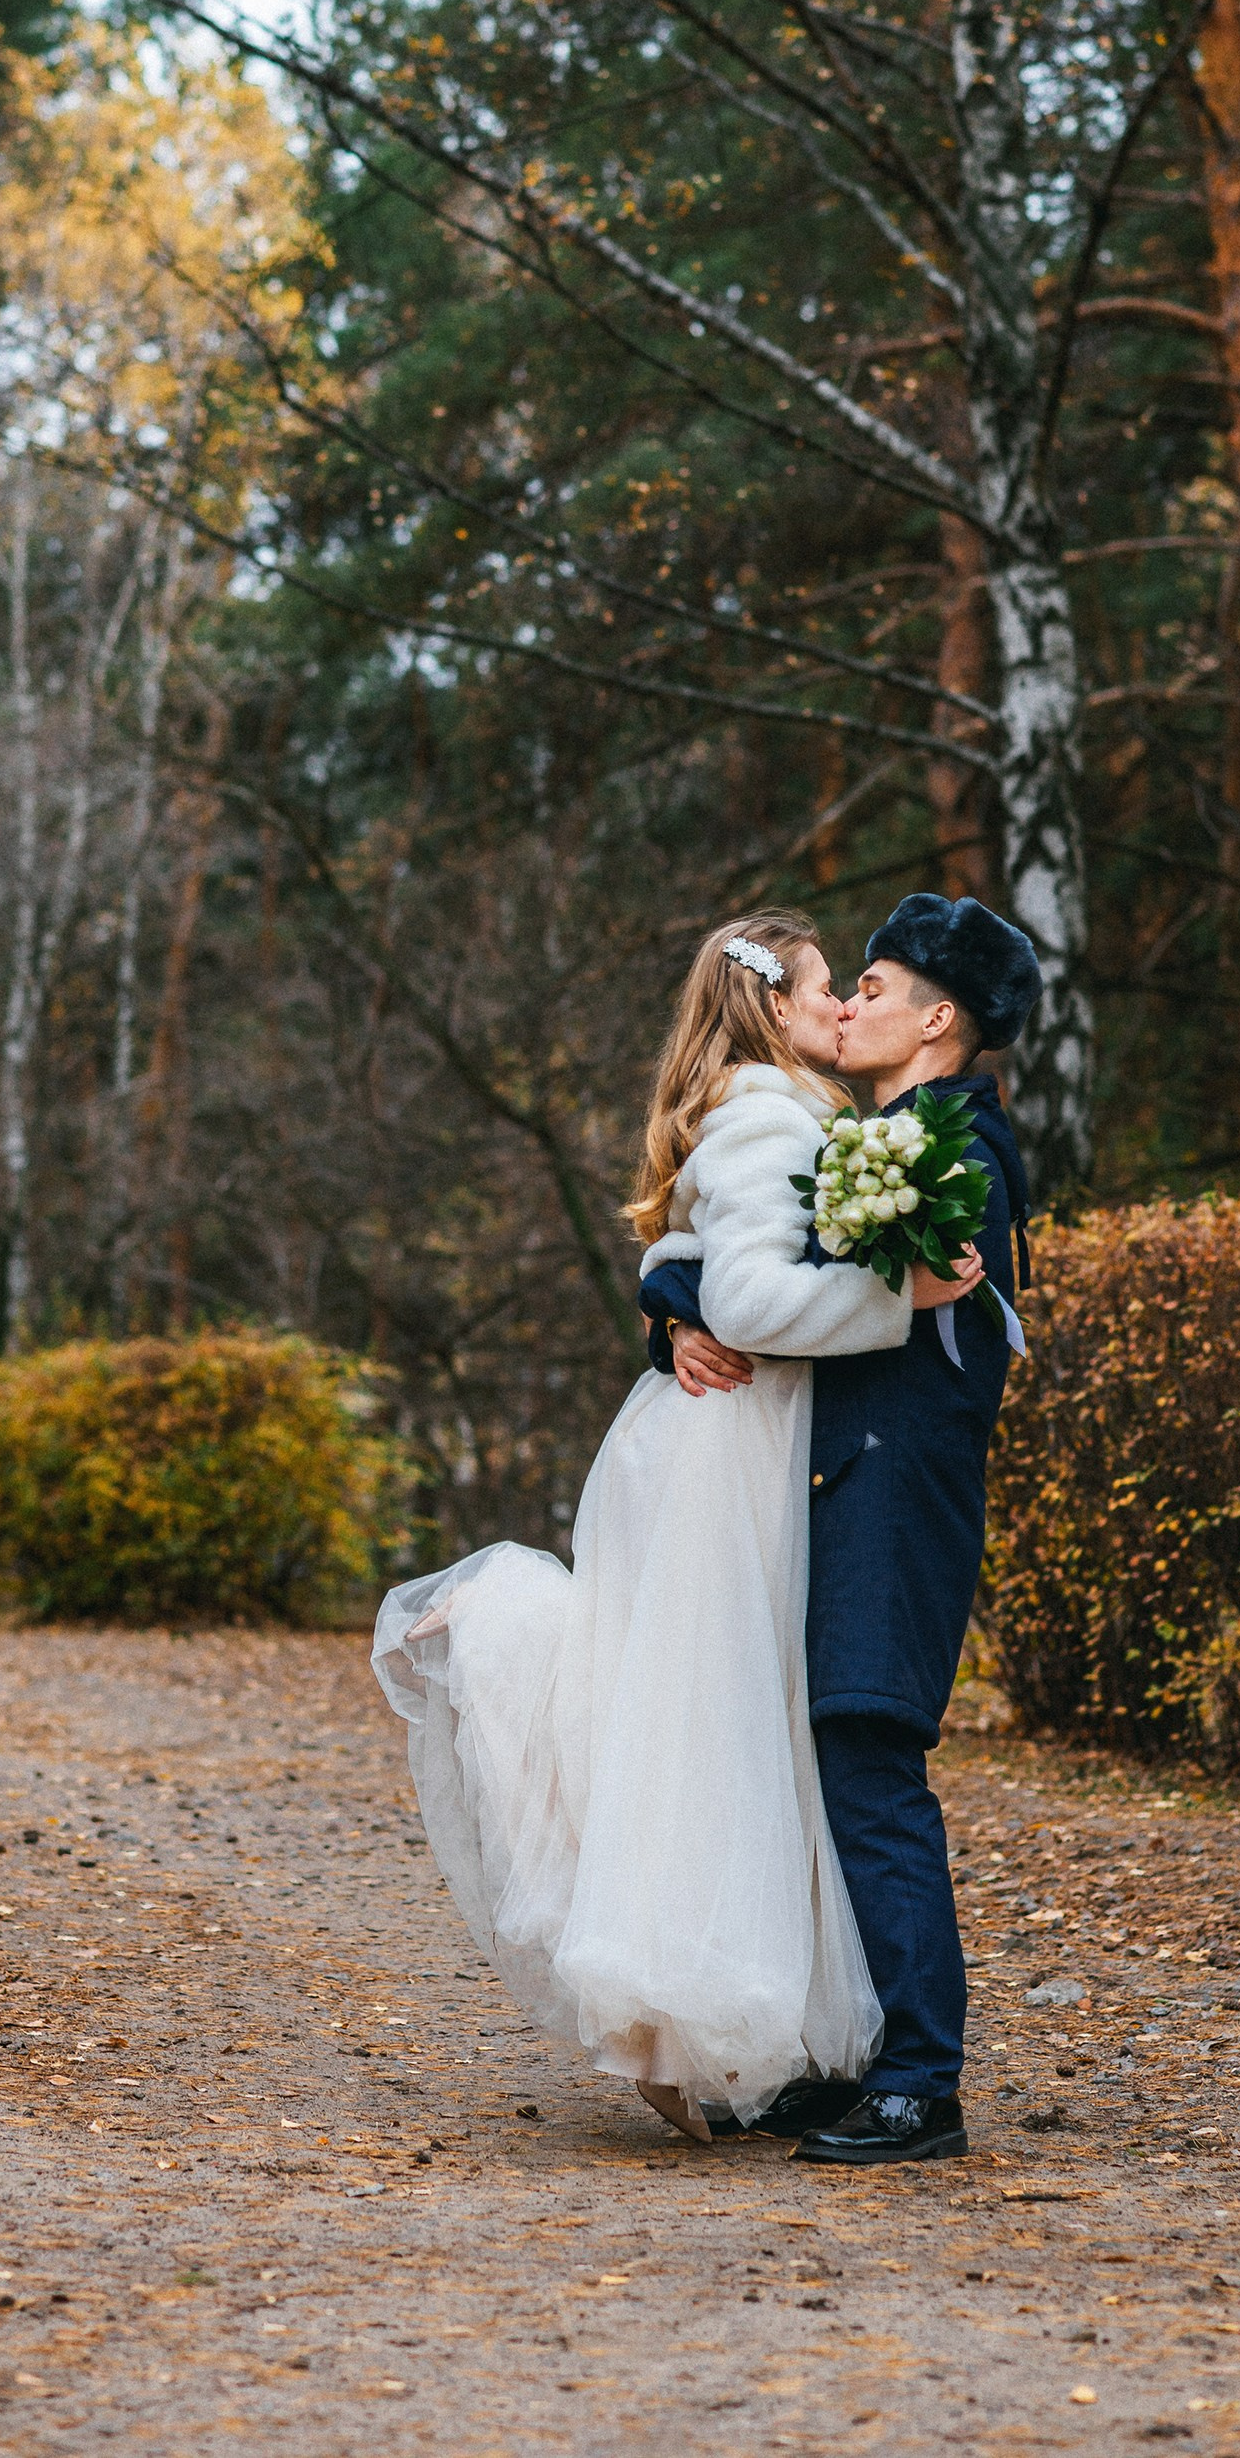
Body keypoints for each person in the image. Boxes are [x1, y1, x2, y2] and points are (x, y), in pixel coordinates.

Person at [371, 912, 982, 2142]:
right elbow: (752, 1292)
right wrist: (895, 1295)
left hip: (711, 1438)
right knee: (709, 1717)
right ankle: (697, 2000)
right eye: (823, 987)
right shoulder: (770, 1111)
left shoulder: (775, 1110)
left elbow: (694, 1252)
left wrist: (668, 1293)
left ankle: (721, 2024)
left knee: (691, 1710)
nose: (839, 1006)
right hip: (731, 1448)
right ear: (770, 1006)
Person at [642, 891, 1041, 2168]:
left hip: (894, 1494)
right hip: (830, 1491)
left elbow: (901, 1301)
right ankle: (855, 2058)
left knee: (871, 1767)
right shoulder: (867, 1131)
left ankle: (923, 2076)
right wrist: (671, 1301)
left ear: (938, 1017)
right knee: (828, 1770)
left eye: (873, 985)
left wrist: (738, 1300)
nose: (851, 1002)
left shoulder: (962, 1146)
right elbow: (736, 1242)